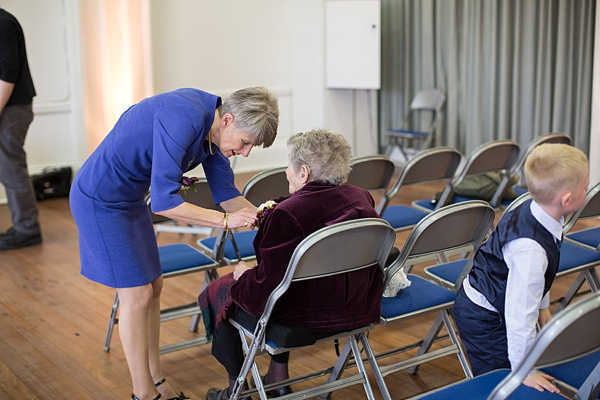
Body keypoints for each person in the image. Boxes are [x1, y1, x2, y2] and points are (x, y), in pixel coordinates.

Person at [69, 87, 279, 400]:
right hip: (101, 199)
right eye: (246, 142)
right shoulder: (185, 116)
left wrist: (268, 220)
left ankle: (157, 382)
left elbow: (227, 194)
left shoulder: (215, 130)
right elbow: (165, 203)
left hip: (131, 199)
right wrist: (223, 222)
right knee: (137, 295)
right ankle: (144, 394)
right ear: (229, 120)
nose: (245, 152)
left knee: (153, 286)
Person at [200, 129, 383, 400]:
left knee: (215, 293)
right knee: (288, 281)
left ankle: (236, 391)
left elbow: (261, 296)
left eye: (289, 165)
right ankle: (278, 377)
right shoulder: (360, 196)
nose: (286, 171)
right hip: (355, 304)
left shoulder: (287, 215)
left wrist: (243, 278)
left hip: (309, 312)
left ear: (304, 172)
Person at [453, 143, 589, 393]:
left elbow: (541, 275)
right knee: (502, 385)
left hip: (498, 301)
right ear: (567, 199)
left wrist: (544, 309)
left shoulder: (540, 209)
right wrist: (523, 372)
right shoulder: (530, 250)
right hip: (484, 317)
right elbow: (519, 316)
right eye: (585, 184)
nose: (588, 188)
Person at [0, 8, 41, 250]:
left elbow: (8, 73)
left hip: (12, 109)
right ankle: (22, 225)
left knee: (10, 167)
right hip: (8, 107)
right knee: (7, 168)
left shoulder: (3, 23)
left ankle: (27, 228)